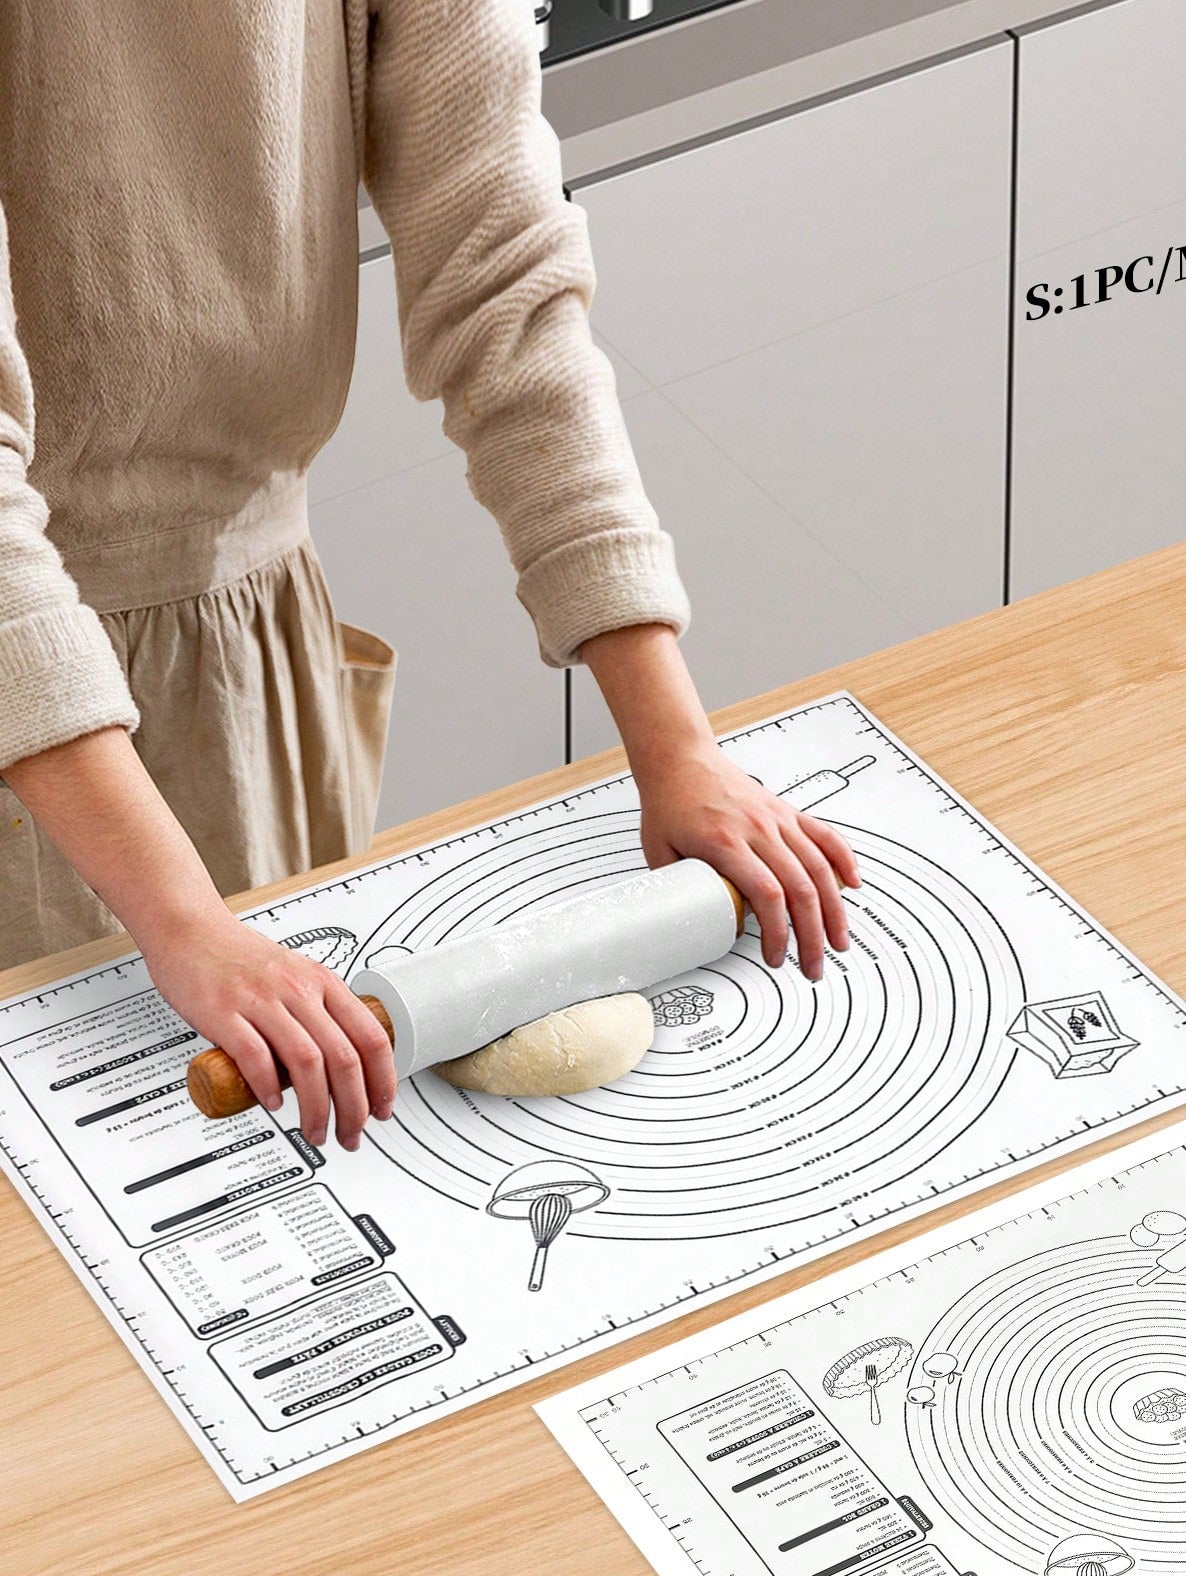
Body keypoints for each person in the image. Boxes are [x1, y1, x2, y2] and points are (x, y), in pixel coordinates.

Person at [0, 1, 858, 1155]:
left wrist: (677, 747)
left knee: (286, 1163)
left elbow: (502, 282)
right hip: (28, 701)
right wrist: (186, 921)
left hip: (250, 652)